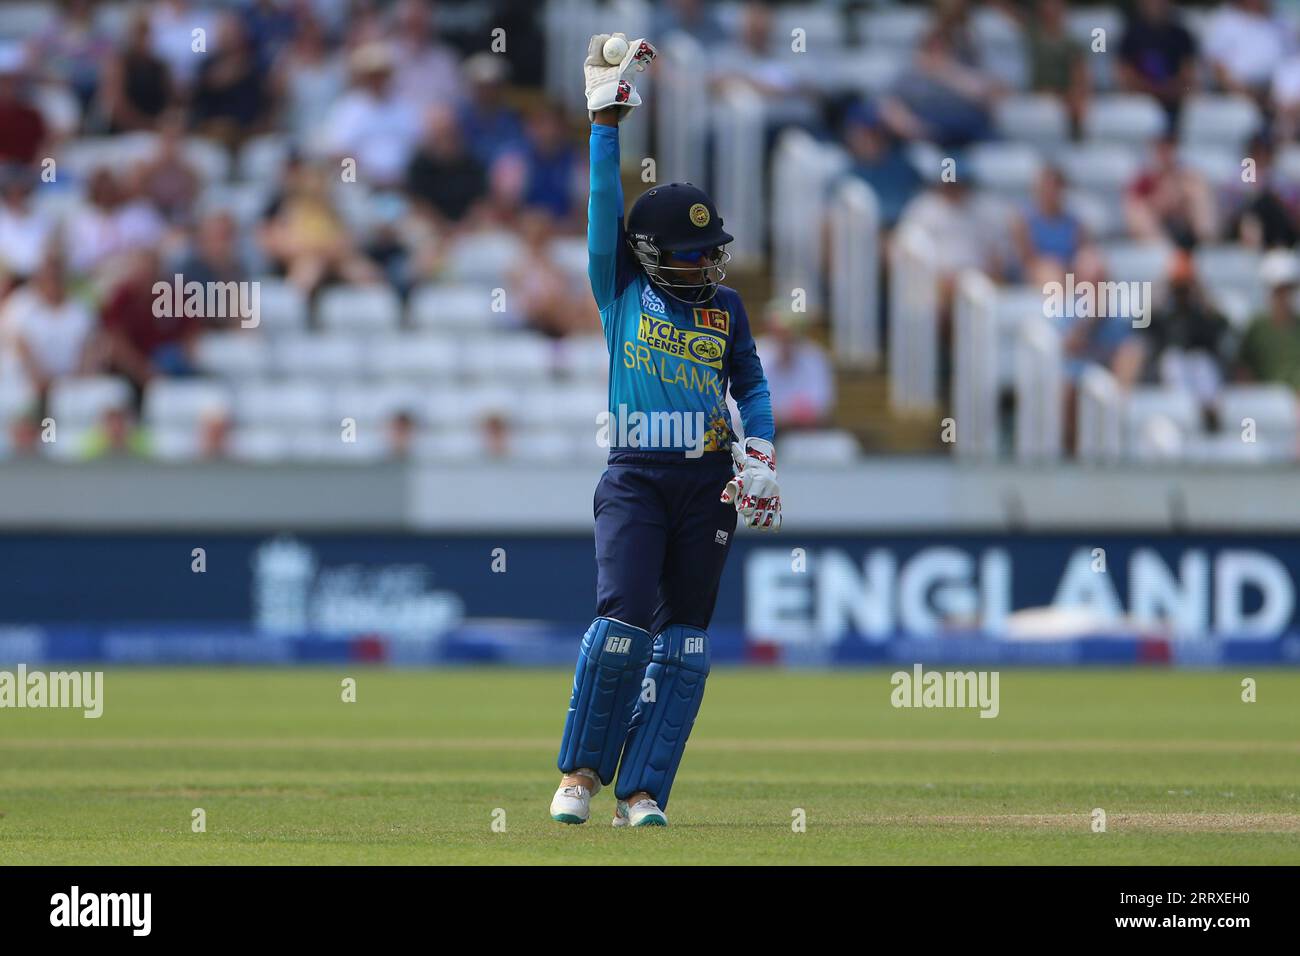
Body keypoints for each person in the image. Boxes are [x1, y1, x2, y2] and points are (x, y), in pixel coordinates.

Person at [550, 34, 780, 829]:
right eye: (687, 256)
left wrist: (762, 457)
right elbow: (602, 207)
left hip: (707, 482)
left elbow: (749, 383)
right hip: (637, 476)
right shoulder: (618, 287)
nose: (704, 268)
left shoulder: (726, 309)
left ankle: (642, 793)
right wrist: (605, 123)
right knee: (619, 622)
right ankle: (580, 775)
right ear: (649, 256)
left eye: (709, 253)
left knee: (684, 646)